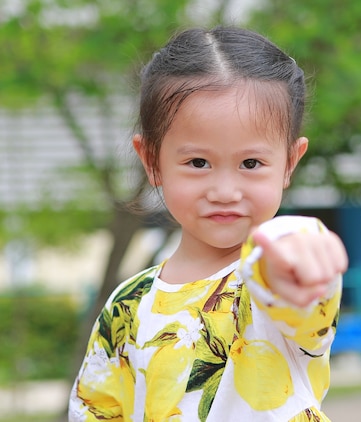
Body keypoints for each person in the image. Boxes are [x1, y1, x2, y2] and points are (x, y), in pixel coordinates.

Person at [69, 26, 347, 422]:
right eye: (198, 163)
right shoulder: (127, 304)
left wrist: (303, 257)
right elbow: (95, 410)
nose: (225, 190)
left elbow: (293, 284)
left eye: (251, 164)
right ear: (151, 161)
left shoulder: (269, 281)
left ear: (289, 162)